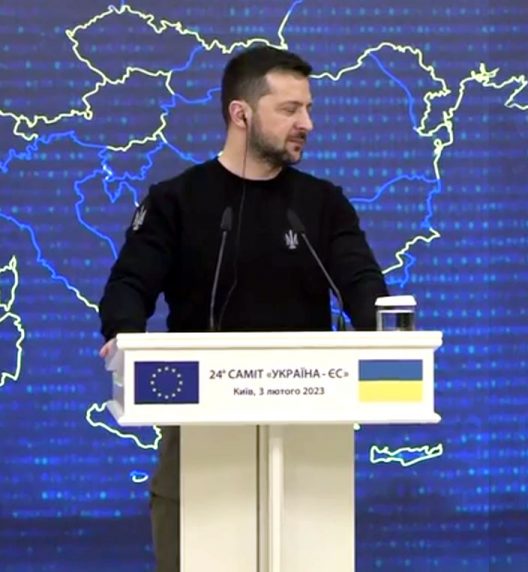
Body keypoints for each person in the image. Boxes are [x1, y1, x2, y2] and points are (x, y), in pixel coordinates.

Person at [98, 45, 388, 571]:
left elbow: (362, 282)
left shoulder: (322, 204)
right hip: (199, 437)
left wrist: (386, 330)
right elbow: (129, 284)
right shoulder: (176, 200)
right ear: (241, 113)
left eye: (308, 108)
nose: (308, 123)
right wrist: (124, 332)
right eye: (290, 109)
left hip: (307, 439)